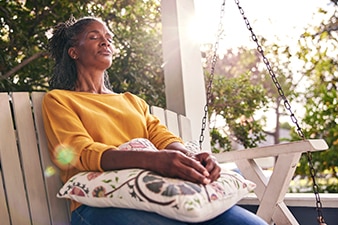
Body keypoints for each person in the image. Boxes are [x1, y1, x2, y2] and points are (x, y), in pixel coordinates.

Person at [42, 16, 268, 225]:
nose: (105, 42)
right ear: (73, 52)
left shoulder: (132, 101)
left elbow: (162, 137)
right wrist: (154, 160)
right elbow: (80, 152)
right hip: (98, 204)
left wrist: (191, 157)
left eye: (109, 38)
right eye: (94, 37)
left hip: (165, 194)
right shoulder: (60, 100)